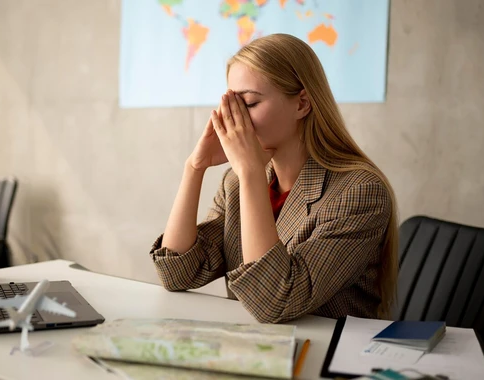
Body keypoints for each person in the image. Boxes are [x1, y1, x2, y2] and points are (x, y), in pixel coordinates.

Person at [149, 33, 398, 324]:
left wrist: (251, 172)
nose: (235, 119)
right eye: (233, 106)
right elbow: (177, 274)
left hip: (326, 355)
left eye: (250, 104)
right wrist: (195, 167)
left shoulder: (360, 192)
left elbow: (275, 302)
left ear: (302, 104)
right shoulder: (237, 182)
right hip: (260, 350)